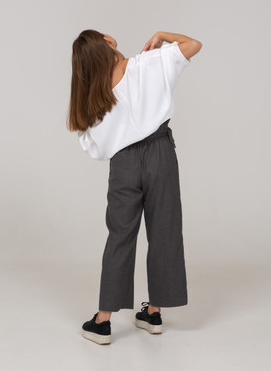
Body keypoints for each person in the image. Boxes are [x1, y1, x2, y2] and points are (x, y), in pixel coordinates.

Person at [66, 29, 202, 344]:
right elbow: (194, 45)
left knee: (120, 236)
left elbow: (94, 147)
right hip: (160, 155)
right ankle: (153, 313)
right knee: (164, 231)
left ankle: (102, 322)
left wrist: (118, 137)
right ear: (109, 41)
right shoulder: (149, 63)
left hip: (124, 164)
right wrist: (162, 35)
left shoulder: (96, 93)